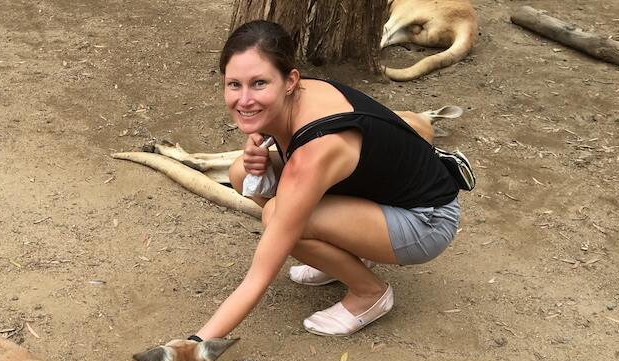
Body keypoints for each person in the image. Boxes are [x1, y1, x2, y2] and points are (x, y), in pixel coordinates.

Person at [195, 20, 463, 342]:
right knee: (242, 172)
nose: (245, 99)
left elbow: (259, 276)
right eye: (234, 85)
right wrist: (260, 140)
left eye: (259, 83)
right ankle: (342, 255)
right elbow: (275, 130)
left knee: (277, 217)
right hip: (379, 194)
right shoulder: (295, 97)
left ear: (290, 80)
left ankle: (370, 293)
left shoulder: (316, 151)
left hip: (427, 220)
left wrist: (196, 343)